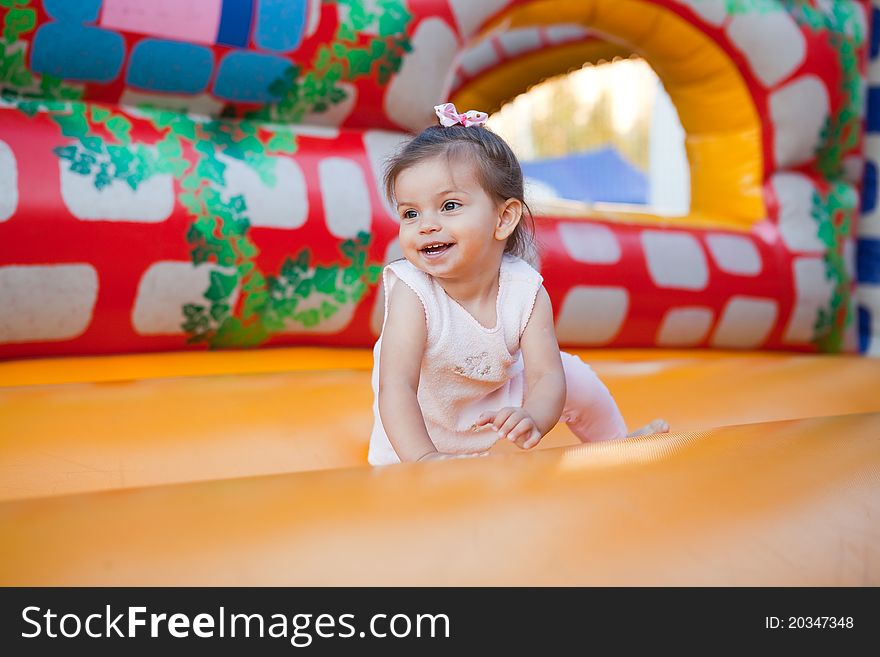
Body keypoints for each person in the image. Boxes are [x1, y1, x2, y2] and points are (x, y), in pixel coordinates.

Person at [368, 103, 668, 465]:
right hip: (415, 428)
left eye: (448, 206)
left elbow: (546, 376)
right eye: (410, 213)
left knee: (572, 373)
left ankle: (616, 443)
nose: (426, 225)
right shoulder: (412, 291)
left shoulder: (524, 290)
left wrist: (535, 416)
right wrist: (421, 459)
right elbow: (396, 386)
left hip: (488, 404)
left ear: (504, 217)